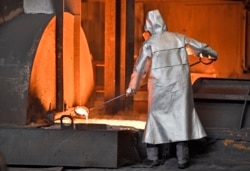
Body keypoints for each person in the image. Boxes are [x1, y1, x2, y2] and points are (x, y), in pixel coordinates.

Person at [126, 9, 217, 169]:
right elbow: (200, 47)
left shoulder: (150, 43)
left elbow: (140, 68)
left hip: (159, 88)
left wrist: (132, 87)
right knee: (180, 119)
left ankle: (154, 157)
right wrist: (211, 54)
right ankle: (183, 159)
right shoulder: (178, 38)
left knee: (155, 119)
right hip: (179, 88)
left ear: (150, 25)